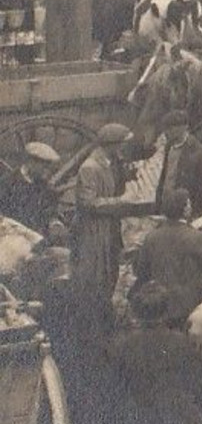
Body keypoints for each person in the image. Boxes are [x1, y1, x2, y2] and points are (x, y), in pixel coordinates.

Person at [110, 283, 202, 424]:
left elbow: (117, 390)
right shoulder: (181, 342)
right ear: (166, 310)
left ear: (136, 312)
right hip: (179, 420)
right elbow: (198, 384)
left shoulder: (123, 346)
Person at [71, 124, 147, 329]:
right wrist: (121, 201)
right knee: (95, 274)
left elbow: (115, 183)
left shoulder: (110, 162)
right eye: (121, 144)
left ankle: (102, 316)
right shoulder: (90, 167)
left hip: (109, 228)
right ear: (111, 145)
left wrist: (128, 175)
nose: (123, 148)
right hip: (94, 232)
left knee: (110, 271)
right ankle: (90, 322)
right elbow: (88, 203)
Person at [130, 188, 202, 326]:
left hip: (158, 306)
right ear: (185, 210)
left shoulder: (151, 237)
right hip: (190, 306)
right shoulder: (196, 237)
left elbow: (141, 271)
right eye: (188, 204)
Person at [0, 139, 58, 234]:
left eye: (48, 167)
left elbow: (49, 212)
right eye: (44, 167)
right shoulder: (7, 183)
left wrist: (54, 223)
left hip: (36, 238)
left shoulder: (44, 186)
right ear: (31, 162)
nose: (47, 171)